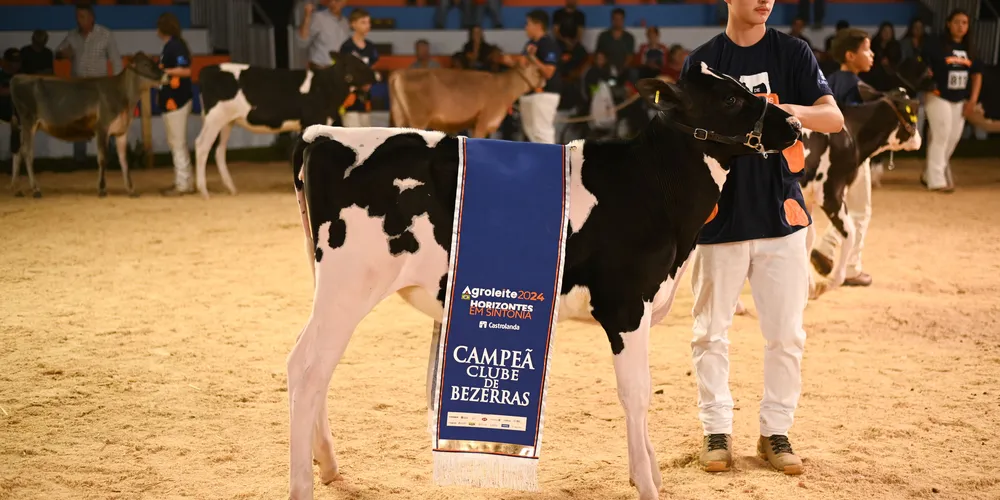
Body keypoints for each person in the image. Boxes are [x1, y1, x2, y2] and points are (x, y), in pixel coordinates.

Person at [682, 0, 843, 475]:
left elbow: (833, 118)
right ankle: (716, 431)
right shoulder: (704, 62)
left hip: (782, 216)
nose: (764, 1)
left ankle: (776, 430)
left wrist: (786, 111)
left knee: (787, 334)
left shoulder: (793, 53)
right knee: (710, 331)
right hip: (719, 220)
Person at [811, 28, 875, 286]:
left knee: (843, 205)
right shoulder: (859, 87)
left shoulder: (829, 81)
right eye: (867, 50)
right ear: (850, 55)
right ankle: (850, 267)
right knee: (860, 210)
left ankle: (827, 248)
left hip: (831, 154)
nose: (872, 55)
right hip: (854, 155)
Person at [920, 8, 983, 193]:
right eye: (957, 22)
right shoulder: (937, 45)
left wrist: (972, 100)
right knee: (941, 134)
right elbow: (924, 63)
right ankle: (936, 180)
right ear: (948, 24)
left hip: (959, 99)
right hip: (938, 95)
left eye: (964, 23)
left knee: (953, 138)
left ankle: (929, 173)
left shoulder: (970, 48)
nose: (960, 26)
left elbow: (977, 75)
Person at [56, 4, 122, 167]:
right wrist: (62, 54)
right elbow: (57, 52)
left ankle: (109, 156)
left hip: (99, 86)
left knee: (105, 122)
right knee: (79, 122)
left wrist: (116, 85)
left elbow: (116, 60)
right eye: (77, 17)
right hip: (78, 86)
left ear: (92, 18)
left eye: (83, 17)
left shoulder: (105, 34)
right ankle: (80, 159)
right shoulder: (72, 35)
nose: (79, 20)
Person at [502, 9, 561, 144]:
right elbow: (523, 66)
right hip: (528, 93)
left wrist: (533, 59)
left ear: (538, 25)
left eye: (528, 24)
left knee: (542, 133)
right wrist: (510, 62)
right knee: (532, 133)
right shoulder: (529, 44)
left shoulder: (548, 44)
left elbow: (549, 72)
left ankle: (552, 163)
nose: (525, 27)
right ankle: (540, 163)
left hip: (544, 94)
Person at [155, 12, 195, 196]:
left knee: (177, 142)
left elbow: (186, 71)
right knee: (176, 142)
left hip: (176, 101)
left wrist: (166, 71)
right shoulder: (171, 46)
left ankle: (183, 183)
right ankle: (184, 180)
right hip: (173, 101)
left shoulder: (174, 47)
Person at [339, 8, 378, 128]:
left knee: (367, 132)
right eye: (363, 22)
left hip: (365, 98)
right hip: (349, 98)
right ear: (353, 24)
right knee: (352, 133)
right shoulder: (347, 47)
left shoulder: (371, 48)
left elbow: (373, 68)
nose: (367, 26)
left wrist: (369, 81)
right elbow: (343, 72)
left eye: (369, 22)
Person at [297, 0, 350, 71]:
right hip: (320, 69)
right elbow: (302, 42)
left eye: (337, 1)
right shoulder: (318, 18)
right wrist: (307, 17)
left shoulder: (345, 22)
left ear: (344, 2)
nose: (333, 3)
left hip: (339, 71)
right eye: (331, 0)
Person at [595, 8, 635, 76]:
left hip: (623, 70)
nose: (617, 21)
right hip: (605, 69)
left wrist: (622, 68)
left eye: (620, 19)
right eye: (615, 19)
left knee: (633, 73)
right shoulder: (603, 36)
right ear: (611, 20)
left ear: (623, 20)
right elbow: (598, 54)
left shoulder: (629, 37)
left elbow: (630, 57)